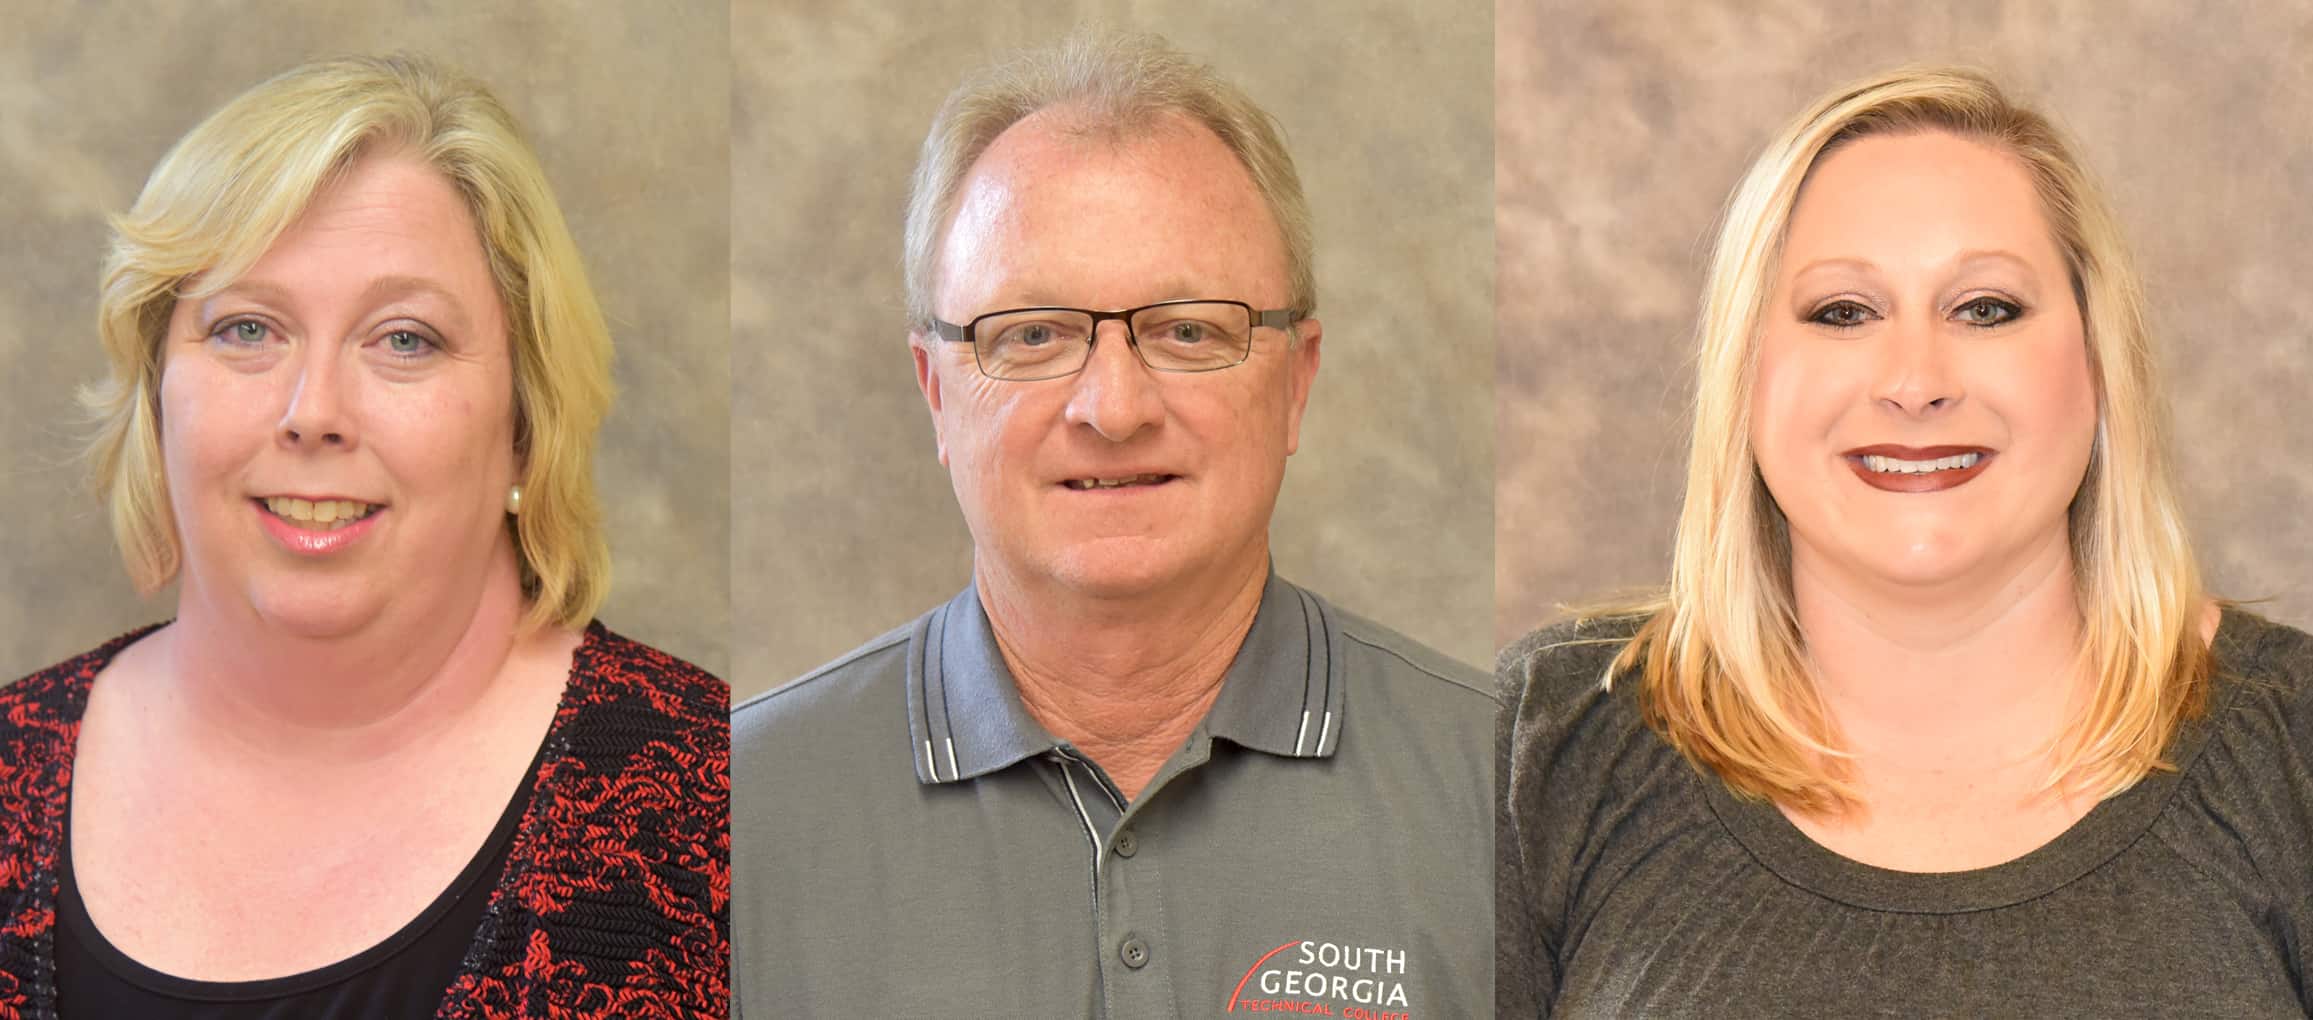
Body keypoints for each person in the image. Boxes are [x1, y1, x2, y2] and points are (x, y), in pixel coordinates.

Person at [1497, 66, 2313, 1017]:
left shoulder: (2291, 751)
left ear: (2096, 364)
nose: (1914, 381)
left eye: (1985, 309)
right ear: (1745, 377)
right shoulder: (1545, 741)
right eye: (1842, 313)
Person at [732, 31, 1494, 1017]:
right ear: (935, 391)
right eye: (1034, 334)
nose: (1114, 407)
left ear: (1297, 382)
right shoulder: (732, 819)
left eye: (1188, 330)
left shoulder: (1507, 795)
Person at [0, 56, 728, 1017]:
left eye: (404, 340)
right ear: (157, 398)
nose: (314, 414)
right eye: (247, 329)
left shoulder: (721, 802)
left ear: (525, 415)